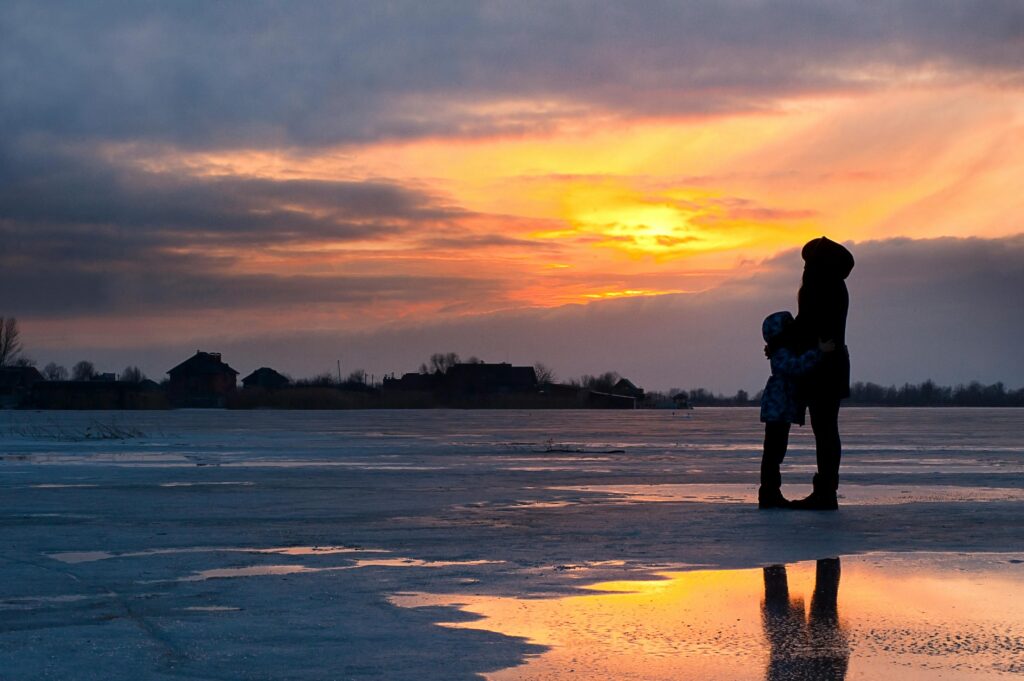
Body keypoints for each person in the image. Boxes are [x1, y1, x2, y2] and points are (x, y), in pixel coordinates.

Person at [790, 237, 854, 511]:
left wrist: (783, 340)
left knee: (825, 428)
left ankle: (826, 492)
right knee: (826, 428)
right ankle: (826, 489)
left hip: (823, 366)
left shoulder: (821, 287)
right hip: (832, 363)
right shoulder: (835, 286)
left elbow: (808, 324)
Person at [758, 311, 835, 509]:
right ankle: (769, 493)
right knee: (773, 453)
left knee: (776, 452)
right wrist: (819, 351)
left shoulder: (782, 349)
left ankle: (771, 492)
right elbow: (795, 367)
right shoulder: (781, 352)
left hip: (780, 409)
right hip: (777, 410)